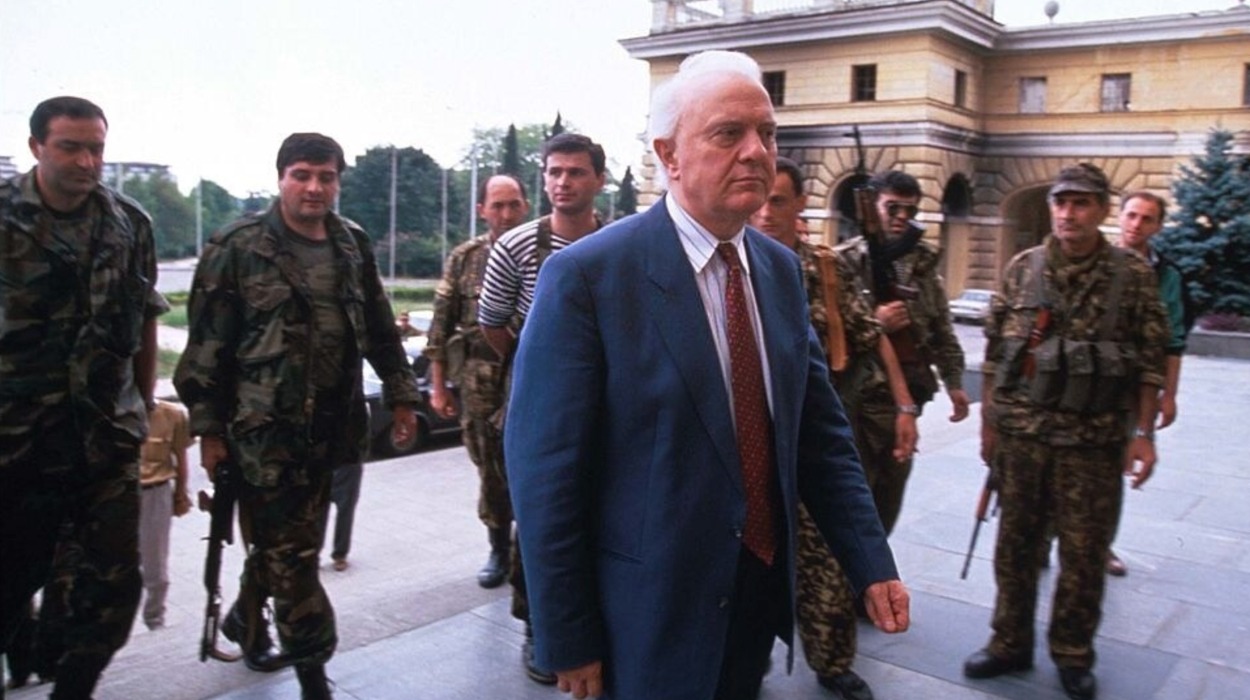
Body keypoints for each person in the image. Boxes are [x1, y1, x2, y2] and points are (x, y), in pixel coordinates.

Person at [506, 50, 909, 700]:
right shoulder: (588, 278)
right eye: (729, 134)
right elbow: (544, 476)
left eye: (767, 133)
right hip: (644, 615)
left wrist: (869, 561)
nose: (757, 152)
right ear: (669, 155)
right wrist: (566, 634)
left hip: (755, 596)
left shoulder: (778, 272)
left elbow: (819, 436)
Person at [174, 132, 420, 699]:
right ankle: (313, 675)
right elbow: (205, 349)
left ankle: (244, 620)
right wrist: (208, 434)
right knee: (295, 557)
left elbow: (381, 330)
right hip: (261, 434)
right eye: (302, 175)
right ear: (281, 177)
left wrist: (403, 396)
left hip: (333, 430)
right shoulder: (238, 246)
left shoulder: (351, 243)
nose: (314, 188)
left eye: (326, 177)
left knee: (291, 543)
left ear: (339, 180)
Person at [964, 163, 1167, 700]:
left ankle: (1073, 653)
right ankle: (1008, 640)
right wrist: (989, 427)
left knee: (1082, 553)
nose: (1067, 212)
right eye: (1061, 202)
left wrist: (1144, 433)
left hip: (1093, 443)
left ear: (1102, 210)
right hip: (1022, 439)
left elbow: (1149, 361)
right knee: (1015, 547)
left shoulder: (1132, 276)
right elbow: (993, 354)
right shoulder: (1022, 268)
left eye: (1080, 203)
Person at [0, 95, 164, 699]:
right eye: (71, 146)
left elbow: (145, 323)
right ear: (37, 146)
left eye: (97, 147)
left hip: (102, 441)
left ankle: (72, 690)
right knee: (12, 580)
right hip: (13, 444)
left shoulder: (129, 225)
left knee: (115, 589)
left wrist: (142, 408)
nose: (88, 161)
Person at [751, 157, 918, 700]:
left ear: (801, 205)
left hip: (810, 442)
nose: (766, 212)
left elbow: (872, 337)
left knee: (826, 566)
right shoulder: (733, 267)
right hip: (748, 449)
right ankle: (746, 659)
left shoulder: (823, 270)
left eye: (779, 201)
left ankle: (833, 661)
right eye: (761, 200)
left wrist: (904, 408)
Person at [476, 132, 606, 685]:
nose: (562, 182)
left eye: (575, 172)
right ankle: (538, 628)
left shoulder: (618, 242)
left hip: (606, 402)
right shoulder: (517, 247)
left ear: (598, 180)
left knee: (599, 512)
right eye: (553, 172)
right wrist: (537, 367)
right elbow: (491, 321)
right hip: (538, 407)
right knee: (540, 516)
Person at [835, 170, 971, 535]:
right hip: (855, 404)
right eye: (891, 207)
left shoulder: (923, 266)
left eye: (909, 211)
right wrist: (874, 321)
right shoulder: (843, 263)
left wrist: (956, 383)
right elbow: (826, 334)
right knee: (849, 506)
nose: (900, 218)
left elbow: (941, 329)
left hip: (905, 403)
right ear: (872, 206)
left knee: (887, 505)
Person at [425, 174, 530, 590]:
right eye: (497, 206)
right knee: (489, 470)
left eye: (513, 205)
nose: (505, 214)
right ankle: (497, 548)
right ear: (482, 210)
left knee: (530, 470)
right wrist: (437, 386)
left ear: (525, 206)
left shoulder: (536, 251)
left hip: (527, 377)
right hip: (480, 384)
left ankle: (528, 554)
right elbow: (440, 326)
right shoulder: (465, 258)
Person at [1106, 191, 1189, 576]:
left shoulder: (1166, 275)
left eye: (1147, 219)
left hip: (1132, 385)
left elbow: (1172, 343)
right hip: (1083, 379)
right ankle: (1043, 538)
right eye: (1132, 215)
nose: (1137, 225)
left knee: (1112, 468)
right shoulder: (1097, 260)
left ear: (1157, 226)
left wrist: (1167, 396)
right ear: (1120, 217)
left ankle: (1100, 545)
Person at [138, 399, 193, 630]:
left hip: (155, 492)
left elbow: (181, 459)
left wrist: (180, 494)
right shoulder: (111, 411)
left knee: (156, 567)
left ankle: (154, 618)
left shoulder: (172, 414)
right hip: (118, 491)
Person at [319, 462, 363, 572]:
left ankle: (340, 554)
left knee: (345, 512)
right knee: (318, 513)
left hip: (348, 466)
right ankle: (314, 554)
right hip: (323, 466)